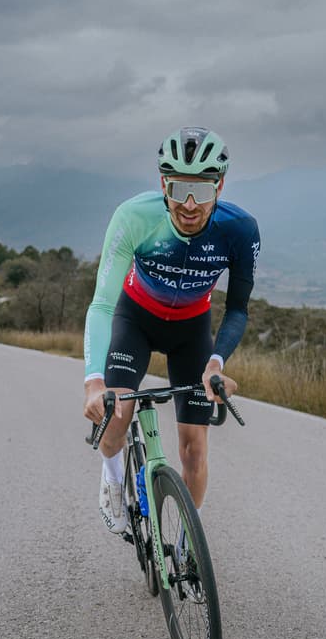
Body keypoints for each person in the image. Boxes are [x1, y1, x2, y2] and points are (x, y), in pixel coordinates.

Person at [82, 126, 261, 536]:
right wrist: (94, 383)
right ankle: (112, 478)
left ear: (220, 187)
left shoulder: (240, 230)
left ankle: (186, 543)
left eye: (202, 190)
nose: (190, 205)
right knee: (115, 416)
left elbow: (238, 309)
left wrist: (215, 364)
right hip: (135, 321)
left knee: (194, 448)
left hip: (191, 331)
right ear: (163, 185)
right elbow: (103, 305)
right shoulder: (135, 217)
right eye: (180, 189)